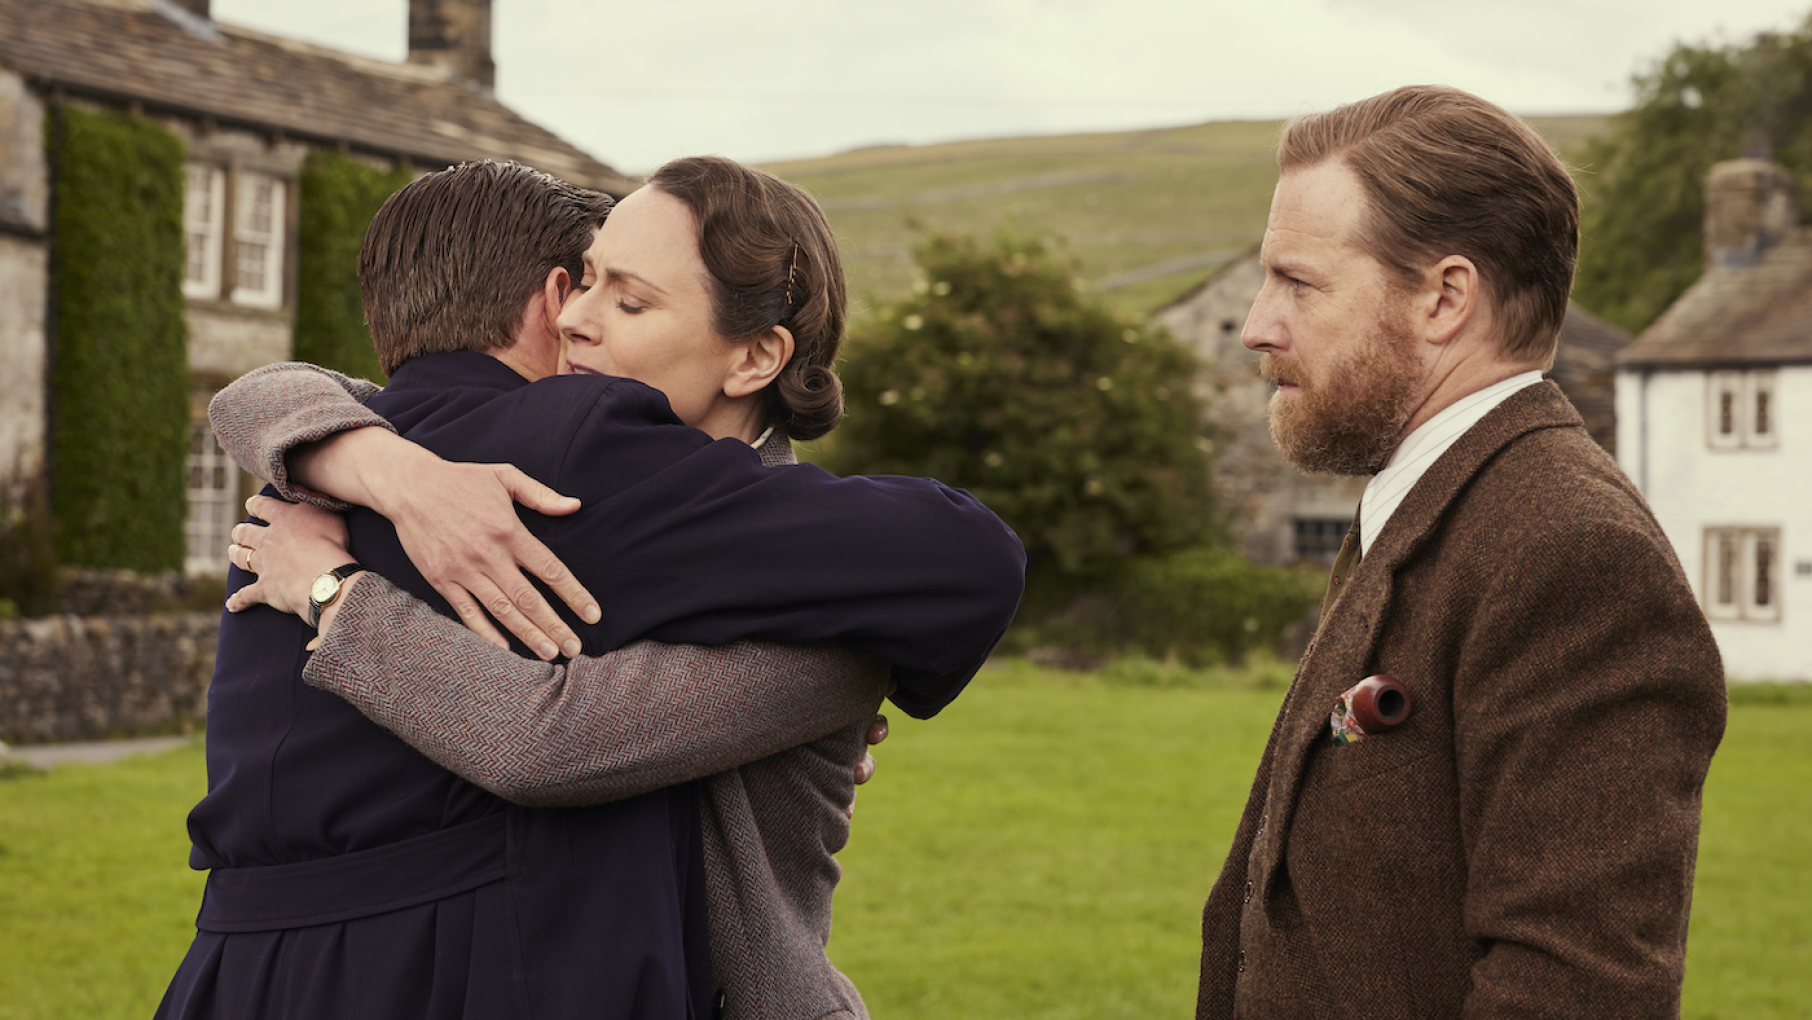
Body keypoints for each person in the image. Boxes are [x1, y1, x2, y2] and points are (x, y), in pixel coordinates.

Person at [158, 159, 1025, 1020]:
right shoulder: (517, 459)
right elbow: (269, 394)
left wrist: (328, 590)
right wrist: (390, 471)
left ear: (757, 356)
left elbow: (545, 743)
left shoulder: (840, 604)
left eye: (629, 300)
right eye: (586, 282)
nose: (573, 318)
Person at [1193, 84, 1727, 1019]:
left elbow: (1575, 989)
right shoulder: (1443, 507)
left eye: (1299, 283)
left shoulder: (1571, 551)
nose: (1256, 326)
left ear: (1444, 298)